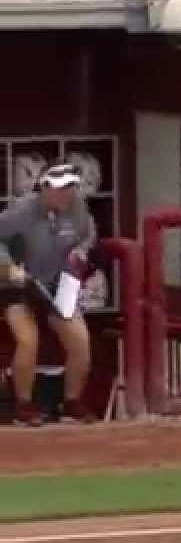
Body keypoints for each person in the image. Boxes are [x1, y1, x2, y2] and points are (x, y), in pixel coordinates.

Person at [0, 162, 98, 427]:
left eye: (70, 188)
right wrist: (9, 267)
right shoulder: (20, 212)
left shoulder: (78, 209)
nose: (66, 194)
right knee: (27, 339)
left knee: (80, 340)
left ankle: (71, 402)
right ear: (44, 188)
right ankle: (23, 405)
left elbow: (87, 237)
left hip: (56, 285)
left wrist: (81, 253)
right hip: (18, 288)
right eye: (60, 189)